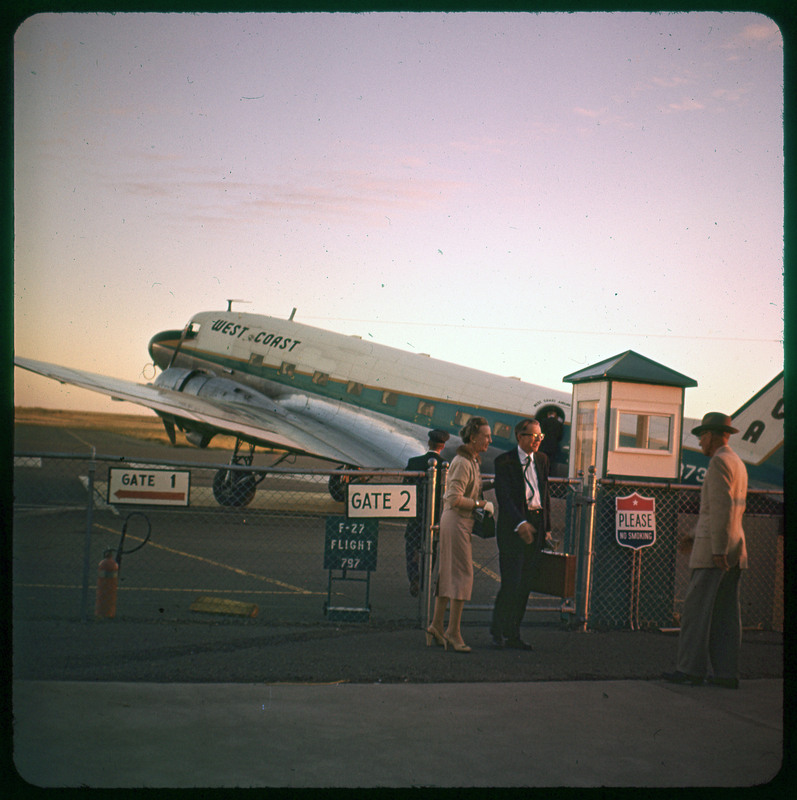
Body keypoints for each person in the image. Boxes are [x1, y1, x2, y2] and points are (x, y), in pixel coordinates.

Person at [664, 412, 748, 689]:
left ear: (711, 435)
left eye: (702, 436)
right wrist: (693, 535)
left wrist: (717, 550)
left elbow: (720, 509)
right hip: (736, 549)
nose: (700, 441)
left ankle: (689, 670)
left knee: (696, 613)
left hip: (715, 552)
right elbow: (721, 511)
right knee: (726, 616)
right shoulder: (737, 462)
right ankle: (726, 673)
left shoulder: (718, 463)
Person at [425, 416, 492, 653]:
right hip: (456, 522)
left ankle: (436, 625)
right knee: (463, 575)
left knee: (448, 574)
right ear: (473, 438)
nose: (489, 440)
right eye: (485, 436)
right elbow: (453, 498)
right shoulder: (463, 462)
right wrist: (480, 504)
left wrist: (477, 503)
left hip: (458, 522)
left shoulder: (471, 460)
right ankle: (452, 632)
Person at [489, 418, 552, 650]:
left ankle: (513, 633)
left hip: (536, 524)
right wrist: (521, 522)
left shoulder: (543, 460)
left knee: (526, 584)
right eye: (533, 436)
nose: (537, 440)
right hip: (514, 527)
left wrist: (547, 527)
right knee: (511, 583)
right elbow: (504, 498)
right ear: (519, 436)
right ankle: (498, 630)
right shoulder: (504, 461)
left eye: (540, 436)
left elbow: (544, 494)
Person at [403, 429, 450, 597]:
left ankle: (414, 577)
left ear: (429, 443)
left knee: (412, 546)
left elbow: (405, 486)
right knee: (432, 549)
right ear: (443, 446)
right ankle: (425, 580)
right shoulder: (446, 466)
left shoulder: (414, 462)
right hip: (436, 517)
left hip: (415, 515)